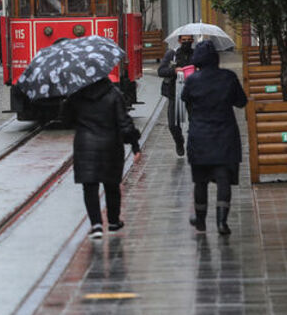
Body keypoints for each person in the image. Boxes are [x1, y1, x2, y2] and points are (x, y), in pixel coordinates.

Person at [181, 40, 247, 236]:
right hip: (225, 136)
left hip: (200, 137)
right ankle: (221, 222)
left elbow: (186, 100)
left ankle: (201, 220)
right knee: (223, 179)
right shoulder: (228, 77)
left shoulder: (192, 80)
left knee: (200, 181)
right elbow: (241, 102)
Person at [63, 77, 141, 240]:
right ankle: (113, 221)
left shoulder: (77, 94)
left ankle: (96, 224)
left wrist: (67, 103)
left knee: (89, 187)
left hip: (85, 146)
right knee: (112, 185)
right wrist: (135, 145)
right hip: (111, 145)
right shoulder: (114, 93)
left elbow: (66, 119)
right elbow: (124, 123)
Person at [158, 34, 195, 157]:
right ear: (179, 41)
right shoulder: (172, 54)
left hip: (193, 94)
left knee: (195, 123)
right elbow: (161, 71)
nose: (186, 42)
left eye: (189, 40)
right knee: (173, 124)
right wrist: (174, 70)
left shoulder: (196, 55)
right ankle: (179, 141)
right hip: (176, 93)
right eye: (184, 40)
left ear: (193, 40)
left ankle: (194, 145)